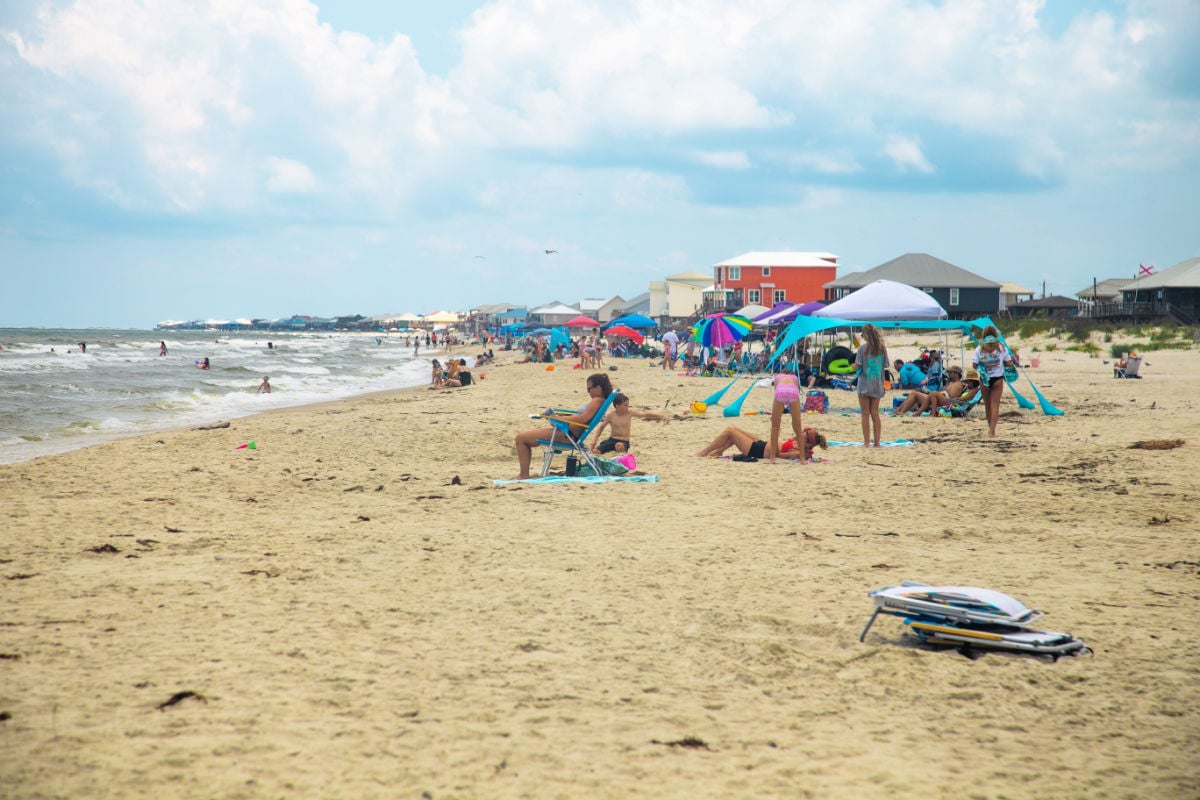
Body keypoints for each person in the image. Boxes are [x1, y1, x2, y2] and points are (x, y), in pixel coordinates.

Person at [514, 373, 612, 479]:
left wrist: (559, 418)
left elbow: (582, 419)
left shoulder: (597, 400)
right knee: (523, 437)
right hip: (568, 433)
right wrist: (558, 417)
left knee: (521, 438)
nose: (588, 392)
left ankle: (523, 475)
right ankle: (523, 474)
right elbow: (581, 417)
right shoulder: (601, 401)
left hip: (566, 436)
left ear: (598, 388)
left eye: (589, 389)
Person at [589, 393, 668, 454]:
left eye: (628, 405)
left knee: (618, 446)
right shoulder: (611, 415)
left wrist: (661, 416)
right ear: (617, 406)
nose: (628, 407)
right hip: (611, 440)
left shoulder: (629, 413)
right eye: (625, 405)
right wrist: (594, 440)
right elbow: (601, 427)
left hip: (624, 442)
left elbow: (644, 414)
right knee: (596, 451)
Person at [694, 425, 826, 461]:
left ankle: (703, 452)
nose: (802, 433)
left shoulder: (799, 452)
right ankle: (719, 451)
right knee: (735, 429)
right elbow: (802, 429)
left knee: (730, 431)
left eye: (805, 434)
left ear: (808, 442)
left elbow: (778, 455)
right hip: (762, 444)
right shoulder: (798, 441)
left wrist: (776, 436)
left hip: (757, 451)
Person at [973, 326, 1016, 438]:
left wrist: (985, 364)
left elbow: (974, 365)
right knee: (995, 405)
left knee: (987, 406)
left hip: (985, 379)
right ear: (995, 335)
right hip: (998, 379)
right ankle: (992, 431)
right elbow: (1009, 363)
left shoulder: (979, 348)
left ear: (984, 335)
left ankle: (989, 428)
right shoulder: (1001, 348)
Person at [854, 324, 888, 447]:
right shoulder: (882, 348)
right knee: (875, 413)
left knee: (865, 413)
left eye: (863, 335)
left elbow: (858, 366)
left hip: (864, 383)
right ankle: (877, 442)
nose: (862, 337)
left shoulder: (862, 349)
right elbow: (885, 366)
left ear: (867, 335)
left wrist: (853, 366)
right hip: (877, 383)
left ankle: (867, 442)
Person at [769, 371, 804, 464]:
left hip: (781, 391)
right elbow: (798, 391)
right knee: (798, 428)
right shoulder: (794, 378)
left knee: (775, 427)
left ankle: (772, 458)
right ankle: (802, 459)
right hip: (793, 392)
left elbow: (776, 390)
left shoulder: (778, 376)